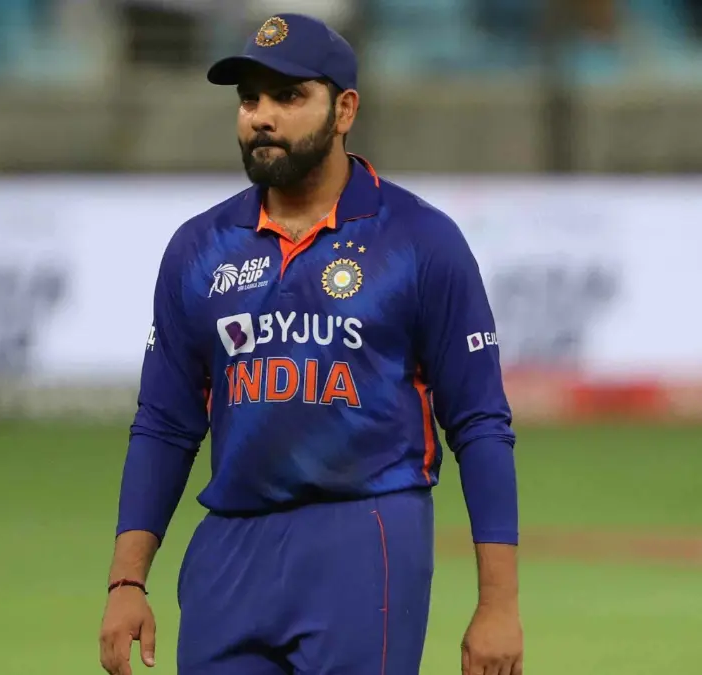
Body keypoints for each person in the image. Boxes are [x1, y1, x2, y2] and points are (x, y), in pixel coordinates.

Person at [98, 13, 523, 675]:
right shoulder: (198, 248)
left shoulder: (419, 241)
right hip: (229, 550)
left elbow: (480, 423)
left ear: (344, 109)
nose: (261, 117)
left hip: (364, 538)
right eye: (249, 99)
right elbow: (164, 422)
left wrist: (497, 604)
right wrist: (127, 580)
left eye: (288, 96)